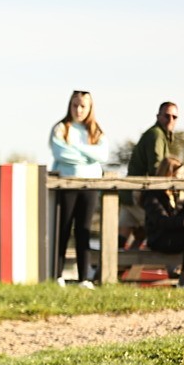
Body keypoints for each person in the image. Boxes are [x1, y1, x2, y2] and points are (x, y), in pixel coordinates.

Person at [50, 90, 109, 288]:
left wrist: (78, 148)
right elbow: (60, 153)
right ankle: (56, 275)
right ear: (70, 105)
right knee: (63, 228)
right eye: (75, 105)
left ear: (90, 107)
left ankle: (84, 277)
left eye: (83, 105)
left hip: (90, 185)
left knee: (83, 230)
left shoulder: (95, 130)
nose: (79, 109)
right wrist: (88, 157)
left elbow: (103, 154)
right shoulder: (61, 128)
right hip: (67, 184)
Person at [121, 102, 180, 248]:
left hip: (130, 192)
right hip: (139, 194)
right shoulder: (156, 135)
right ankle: (174, 268)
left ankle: (108, 269)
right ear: (158, 116)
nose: (170, 120)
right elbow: (157, 170)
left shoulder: (159, 135)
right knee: (163, 225)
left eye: (174, 117)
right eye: (167, 116)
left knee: (126, 237)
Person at [139, 156, 184, 287]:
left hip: (180, 236)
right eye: (179, 174)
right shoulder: (152, 194)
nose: (182, 178)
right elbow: (161, 221)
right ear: (169, 174)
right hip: (160, 238)